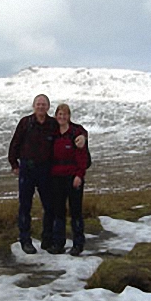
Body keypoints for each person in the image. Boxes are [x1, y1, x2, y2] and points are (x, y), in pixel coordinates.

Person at [8, 95, 84, 254]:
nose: (41, 107)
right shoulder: (25, 122)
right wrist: (14, 164)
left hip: (46, 170)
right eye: (38, 104)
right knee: (25, 206)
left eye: (44, 104)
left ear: (48, 107)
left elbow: (72, 128)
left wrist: (83, 135)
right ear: (34, 106)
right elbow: (15, 143)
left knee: (50, 207)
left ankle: (47, 239)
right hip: (27, 169)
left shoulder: (52, 124)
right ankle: (25, 240)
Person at [49, 103, 88, 256]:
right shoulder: (53, 133)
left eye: (65, 114)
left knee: (76, 211)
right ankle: (59, 243)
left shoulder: (76, 133)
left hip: (73, 177)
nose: (62, 117)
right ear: (55, 116)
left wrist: (79, 175)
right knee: (58, 211)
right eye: (59, 114)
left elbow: (82, 156)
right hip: (56, 177)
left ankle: (78, 244)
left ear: (69, 117)